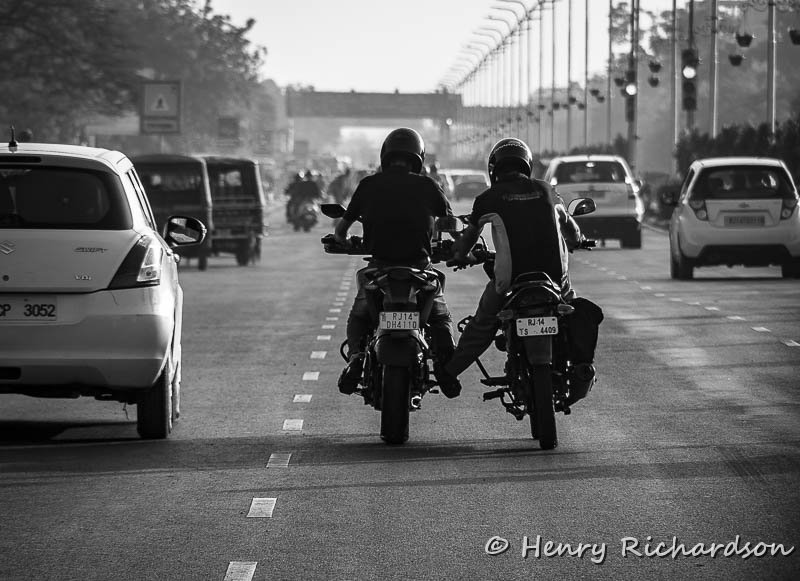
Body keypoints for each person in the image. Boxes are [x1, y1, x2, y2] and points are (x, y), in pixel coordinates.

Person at [444, 137, 603, 405]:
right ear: (526, 165)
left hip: (510, 282)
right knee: (575, 311)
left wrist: (461, 255)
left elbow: (467, 241)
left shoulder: (488, 198)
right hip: (554, 280)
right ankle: (581, 368)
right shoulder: (547, 190)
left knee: (483, 323)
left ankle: (449, 372)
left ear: (494, 169)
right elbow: (572, 231)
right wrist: (578, 241)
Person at [333, 127, 461, 397]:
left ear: (386, 156)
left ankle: (356, 358)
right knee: (440, 317)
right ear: (418, 157)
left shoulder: (368, 185)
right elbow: (451, 225)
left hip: (379, 268)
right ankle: (444, 366)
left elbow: (341, 229)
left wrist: (341, 241)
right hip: (420, 268)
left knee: (359, 316)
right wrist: (462, 247)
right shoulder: (428, 186)